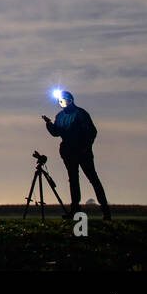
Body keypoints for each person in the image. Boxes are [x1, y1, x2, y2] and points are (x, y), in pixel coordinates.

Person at [41, 91, 111, 221]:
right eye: (60, 101)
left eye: (64, 101)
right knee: (73, 180)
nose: (62, 104)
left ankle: (105, 211)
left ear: (71, 101)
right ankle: (75, 211)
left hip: (83, 152)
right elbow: (56, 132)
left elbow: (91, 132)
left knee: (93, 179)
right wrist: (49, 124)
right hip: (68, 153)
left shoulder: (81, 114)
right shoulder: (60, 116)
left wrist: (85, 147)